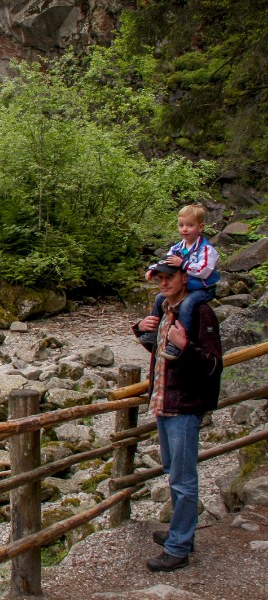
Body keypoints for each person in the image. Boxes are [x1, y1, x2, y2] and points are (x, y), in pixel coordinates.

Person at [133, 258, 223, 572]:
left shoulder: (201, 312)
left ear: (185, 277)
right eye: (160, 278)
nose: (164, 283)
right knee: (174, 471)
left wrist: (184, 345)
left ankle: (178, 548)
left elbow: (213, 364)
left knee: (183, 480)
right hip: (164, 401)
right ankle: (181, 533)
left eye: (170, 277)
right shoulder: (165, 309)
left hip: (184, 406)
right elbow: (163, 356)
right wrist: (141, 331)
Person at [141, 204, 219, 360]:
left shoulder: (206, 249)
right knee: (159, 298)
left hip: (203, 289)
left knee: (187, 304)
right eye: (181, 225)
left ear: (200, 227)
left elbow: (204, 271)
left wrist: (183, 264)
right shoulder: (178, 248)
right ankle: (152, 332)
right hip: (186, 287)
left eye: (190, 225)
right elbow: (165, 261)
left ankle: (178, 341)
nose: (185, 229)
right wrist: (152, 269)